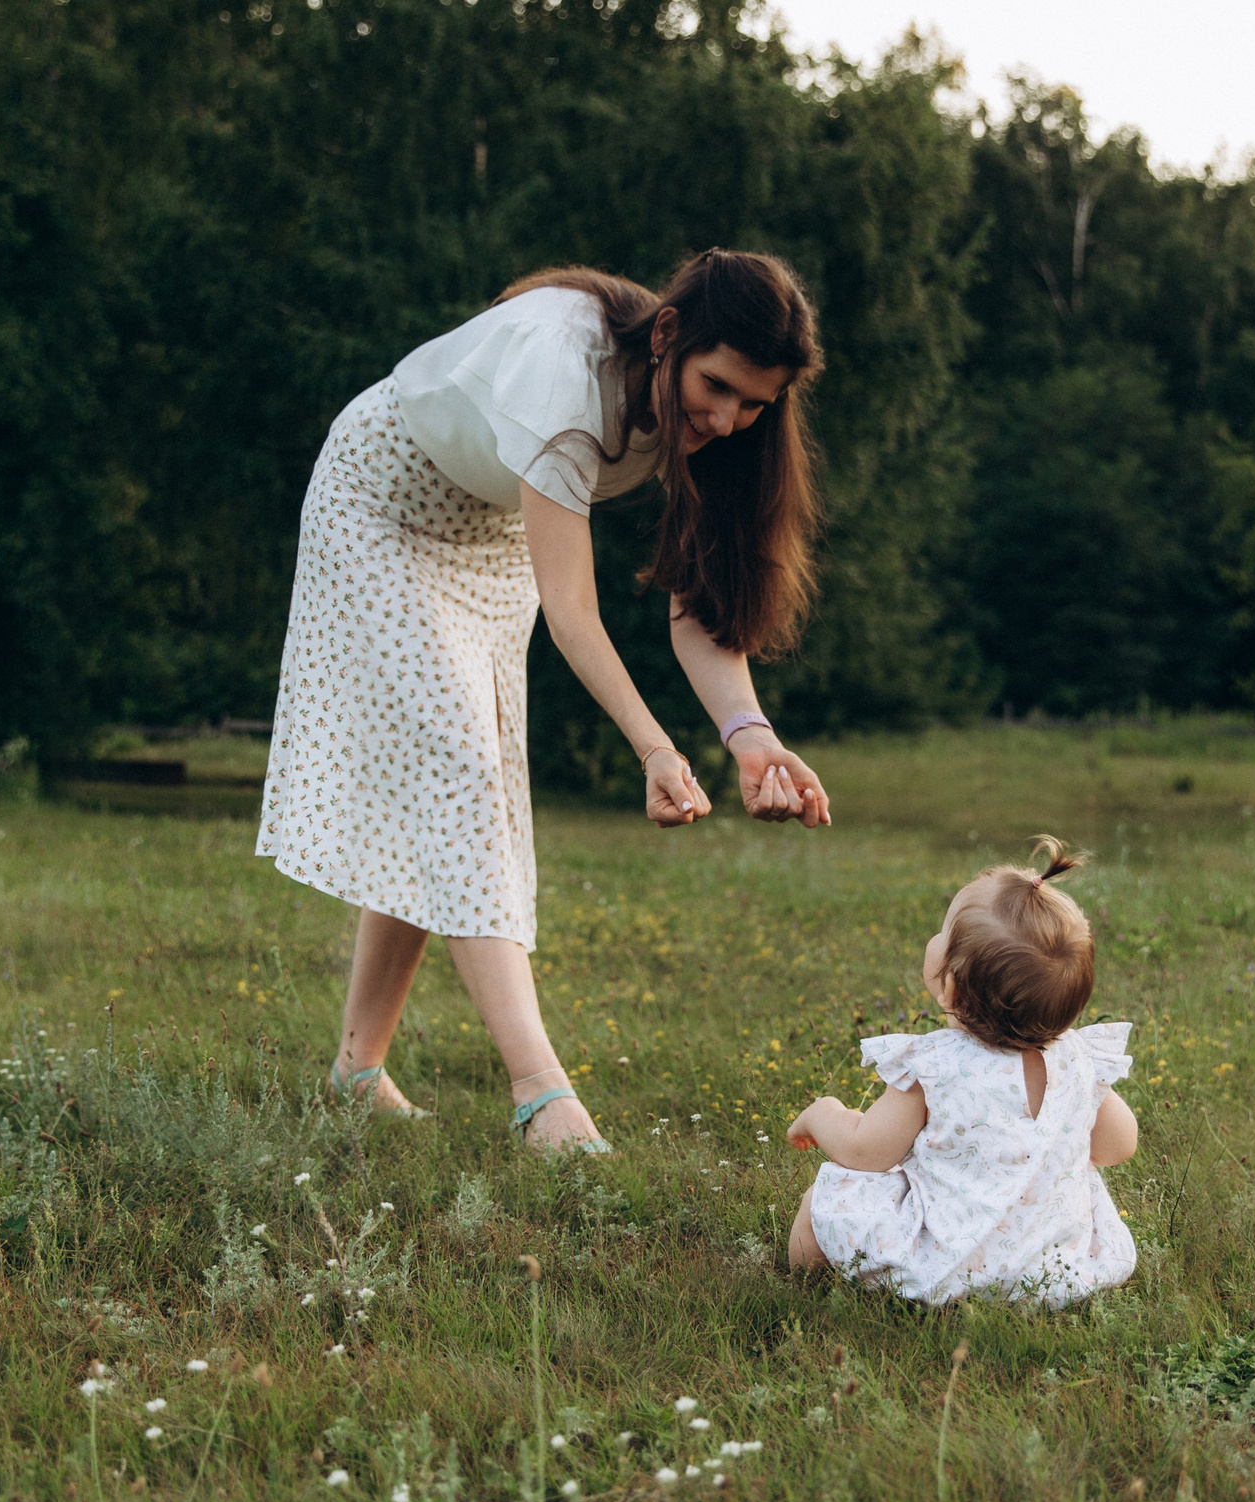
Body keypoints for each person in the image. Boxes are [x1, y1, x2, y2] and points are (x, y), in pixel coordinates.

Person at [257, 250, 833, 1154]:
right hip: (381, 506)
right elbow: (574, 613)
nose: (727, 418)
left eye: (754, 402)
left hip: (490, 535)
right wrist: (654, 748)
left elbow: (700, 609)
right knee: (460, 769)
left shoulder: (717, 429)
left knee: (446, 786)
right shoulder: (566, 376)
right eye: (718, 386)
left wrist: (748, 734)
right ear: (672, 336)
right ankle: (542, 1096)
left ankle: (354, 1076)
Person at [785, 840, 1140, 1307]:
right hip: (1053, 1270)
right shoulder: (1080, 1061)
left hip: (949, 1269)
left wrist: (821, 1113)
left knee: (826, 1197)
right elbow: (1119, 1146)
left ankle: (802, 1285)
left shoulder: (937, 1067)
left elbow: (864, 1150)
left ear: (950, 987)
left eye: (943, 929)